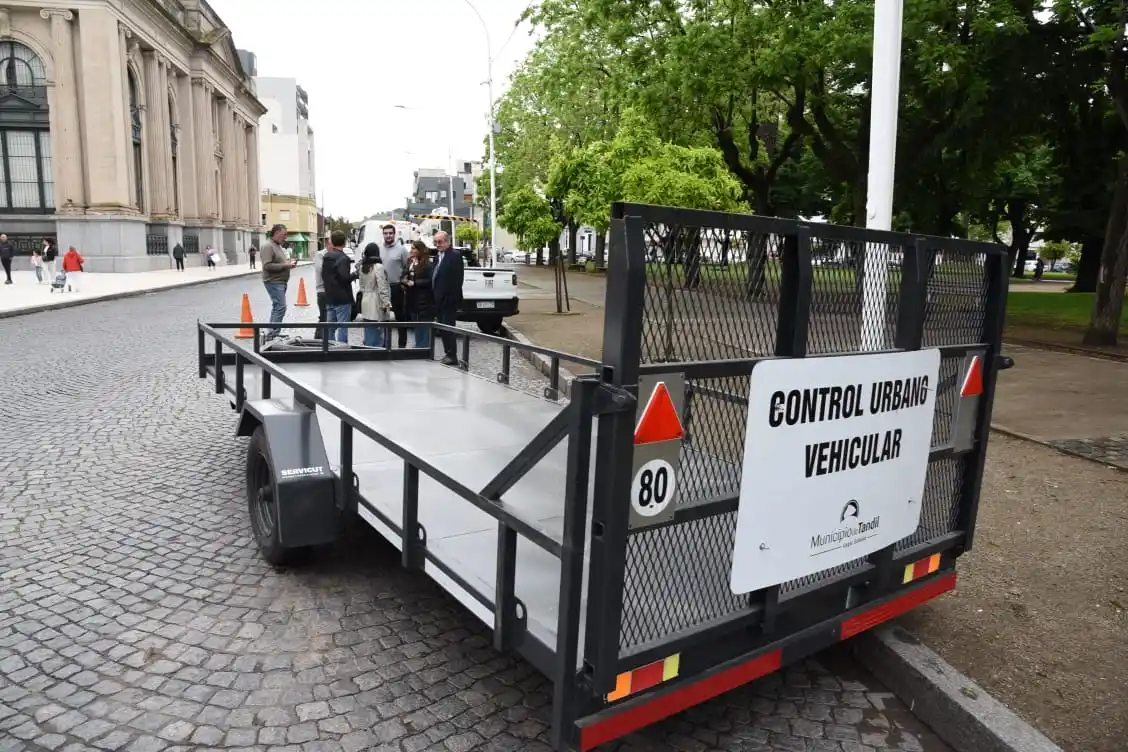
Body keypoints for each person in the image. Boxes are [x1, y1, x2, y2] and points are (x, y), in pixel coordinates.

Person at [260, 224, 297, 341]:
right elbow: (267, 265)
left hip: (280, 281)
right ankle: (272, 334)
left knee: (277, 307)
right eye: (284, 234)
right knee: (280, 307)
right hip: (273, 281)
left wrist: (288, 263)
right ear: (276, 233)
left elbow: (278, 261)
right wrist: (286, 265)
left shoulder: (277, 245)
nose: (285, 237)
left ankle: (272, 333)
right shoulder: (268, 246)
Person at [431, 231, 464, 366]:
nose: (437, 245)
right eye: (435, 242)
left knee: (448, 328)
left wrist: (449, 297)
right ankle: (447, 353)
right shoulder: (438, 257)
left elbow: (457, 280)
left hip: (449, 300)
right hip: (438, 300)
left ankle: (452, 355)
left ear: (447, 241)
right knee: (442, 329)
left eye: (439, 242)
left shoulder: (454, 256)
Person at [321, 230, 356, 344]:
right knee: (342, 327)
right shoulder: (343, 258)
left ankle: (330, 348)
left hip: (330, 296)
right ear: (344, 243)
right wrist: (355, 275)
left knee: (330, 327)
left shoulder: (326, 257)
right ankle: (341, 349)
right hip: (342, 298)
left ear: (332, 242)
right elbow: (344, 278)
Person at [378, 224, 409, 348]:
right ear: (383, 234)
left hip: (396, 287)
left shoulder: (402, 250)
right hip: (382, 288)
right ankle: (385, 345)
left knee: (400, 317)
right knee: (383, 317)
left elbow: (407, 267)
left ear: (394, 234)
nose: (388, 235)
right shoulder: (379, 249)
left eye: (390, 233)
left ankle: (402, 346)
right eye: (386, 233)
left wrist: (403, 281)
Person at [357, 242, 393, 347]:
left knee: (369, 329)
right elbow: (382, 287)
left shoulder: (362, 267)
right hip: (376, 301)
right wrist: (387, 303)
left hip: (366, 300)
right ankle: (377, 352)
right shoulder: (379, 267)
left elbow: (361, 286)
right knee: (378, 330)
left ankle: (368, 348)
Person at [403, 240, 434, 348]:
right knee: (416, 324)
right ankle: (418, 345)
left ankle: (424, 347)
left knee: (424, 325)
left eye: (413, 248)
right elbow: (405, 273)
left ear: (419, 250)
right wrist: (405, 281)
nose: (411, 250)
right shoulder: (410, 262)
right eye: (411, 248)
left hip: (423, 300)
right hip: (412, 298)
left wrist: (415, 283)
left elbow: (430, 280)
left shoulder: (427, 264)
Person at [311, 241, 329, 339]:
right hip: (322, 290)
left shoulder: (332, 254)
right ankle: (319, 339)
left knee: (325, 317)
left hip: (331, 291)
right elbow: (322, 270)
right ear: (327, 244)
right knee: (324, 316)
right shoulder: (320, 255)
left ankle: (320, 339)